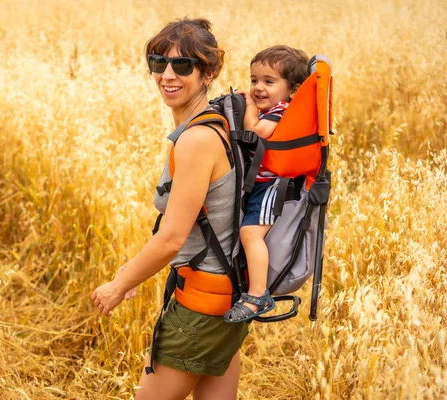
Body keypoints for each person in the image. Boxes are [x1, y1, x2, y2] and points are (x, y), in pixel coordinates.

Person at [91, 18, 250, 400]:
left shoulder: (196, 139)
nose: (167, 74)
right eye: (158, 62)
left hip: (200, 309)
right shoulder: (216, 121)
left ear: (209, 71)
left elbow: (172, 238)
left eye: (182, 65)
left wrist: (119, 285)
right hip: (225, 300)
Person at [223, 45, 309, 323]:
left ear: (293, 90)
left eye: (268, 82)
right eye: (254, 80)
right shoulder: (274, 106)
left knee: (250, 233)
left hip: (273, 186)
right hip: (261, 183)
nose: (258, 88)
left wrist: (247, 106)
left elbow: (256, 132)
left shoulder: (282, 109)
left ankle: (258, 295)